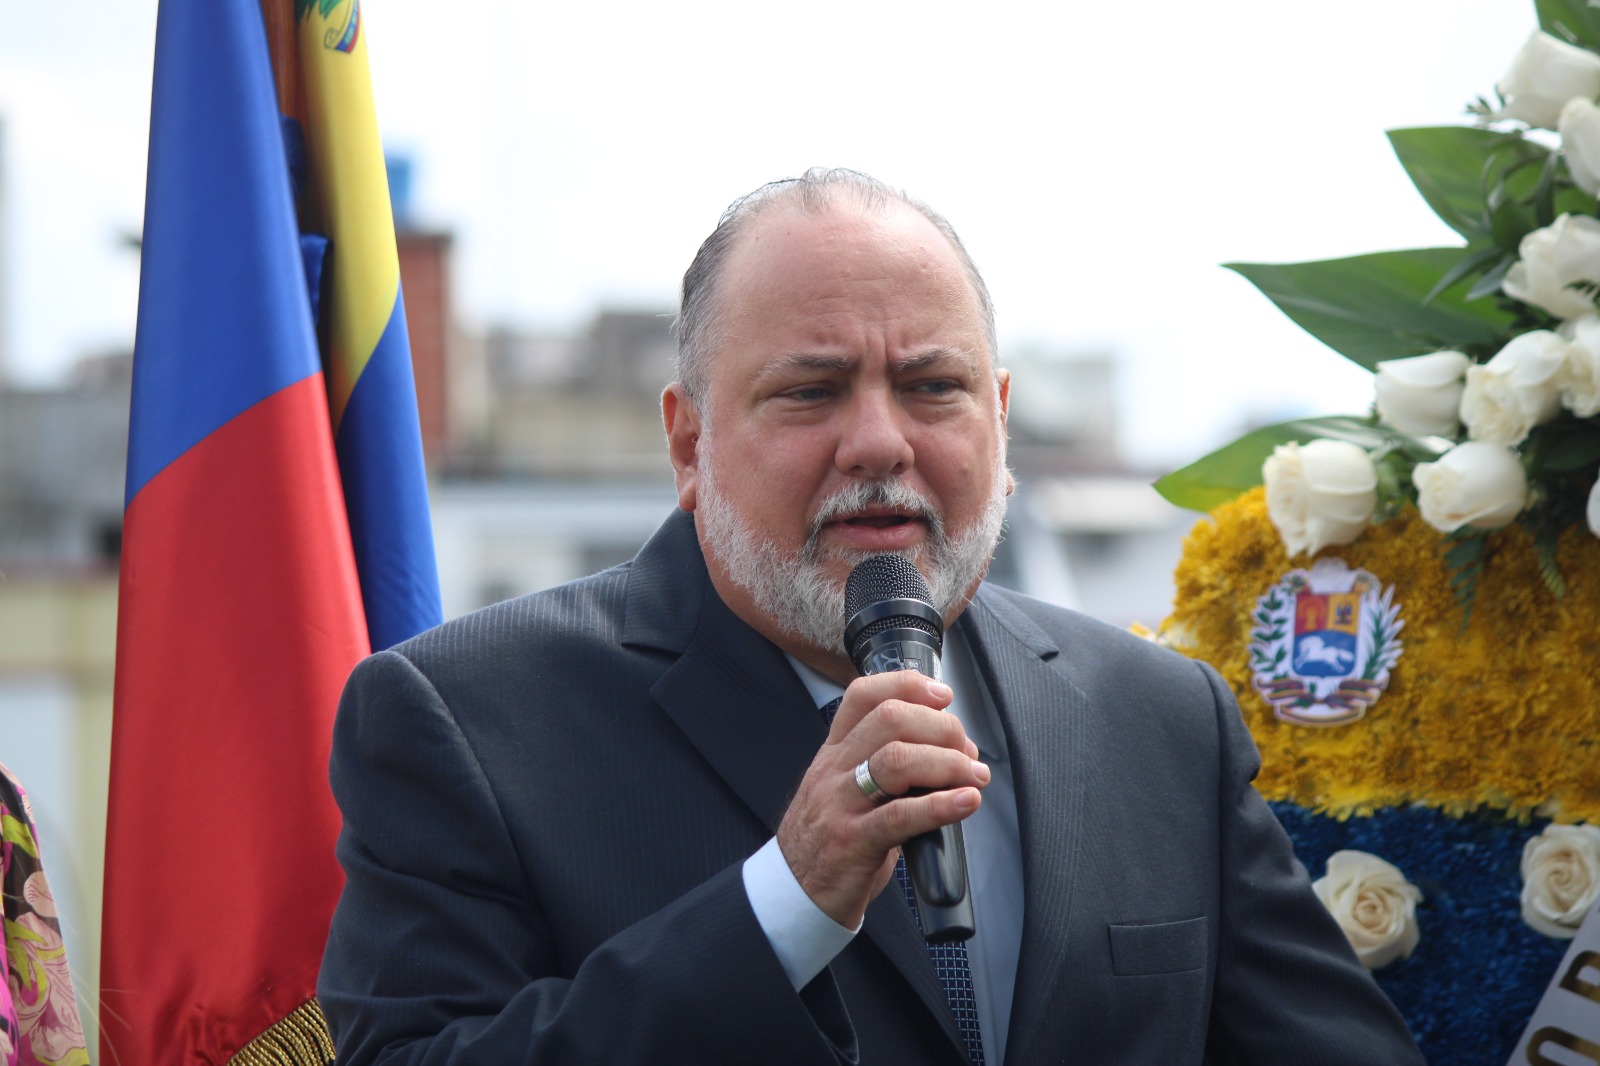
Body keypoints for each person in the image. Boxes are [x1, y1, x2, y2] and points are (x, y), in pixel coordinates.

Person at [318, 168, 1425, 1064]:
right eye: (810, 391)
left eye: (933, 386)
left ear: (999, 419)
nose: (881, 443)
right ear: (690, 443)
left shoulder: (1159, 717)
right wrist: (782, 904)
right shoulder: (467, 722)